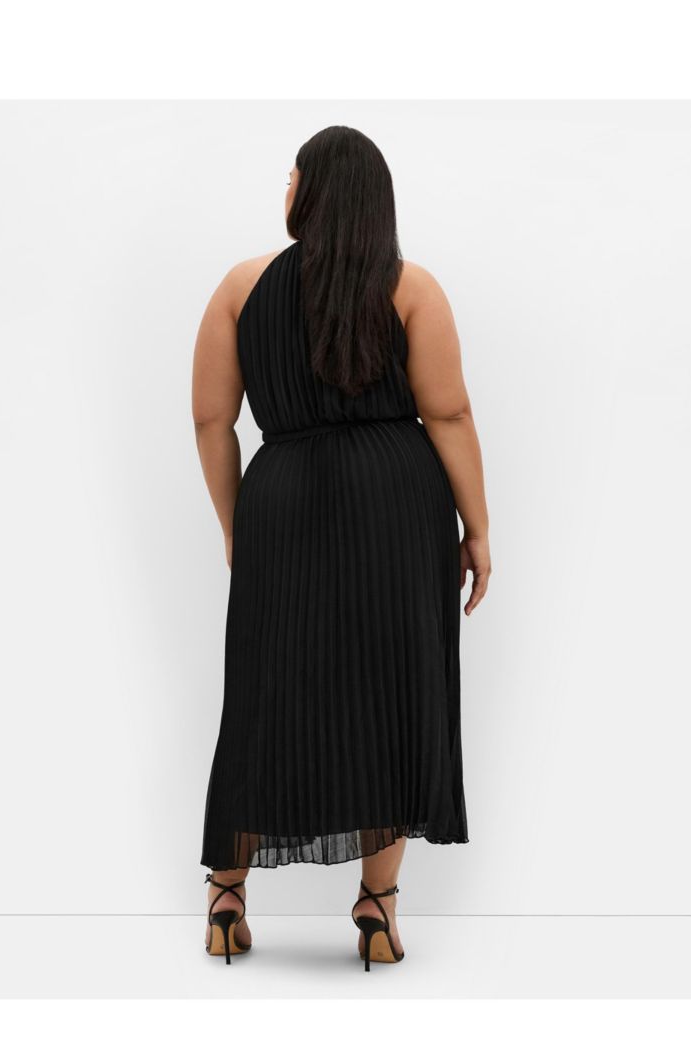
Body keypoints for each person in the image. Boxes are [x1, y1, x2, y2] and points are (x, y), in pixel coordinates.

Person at [191, 125, 491, 970]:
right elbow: (449, 413)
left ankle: (225, 896)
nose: (284, 188)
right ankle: (377, 907)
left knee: (262, 696)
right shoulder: (411, 288)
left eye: (292, 176)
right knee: (392, 692)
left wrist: (236, 524)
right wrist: (477, 527)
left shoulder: (241, 288)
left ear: (313, 191)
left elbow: (212, 419)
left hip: (282, 501)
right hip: (398, 506)